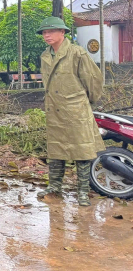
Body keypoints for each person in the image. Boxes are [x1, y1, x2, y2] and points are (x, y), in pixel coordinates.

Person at [36, 16, 104, 206]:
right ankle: (54, 186)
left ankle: (83, 191)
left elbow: (93, 80)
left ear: (62, 32)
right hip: (54, 109)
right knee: (56, 149)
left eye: (51, 31)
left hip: (76, 110)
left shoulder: (77, 53)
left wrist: (85, 102)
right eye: (44, 32)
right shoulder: (45, 55)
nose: (46, 35)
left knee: (82, 150)